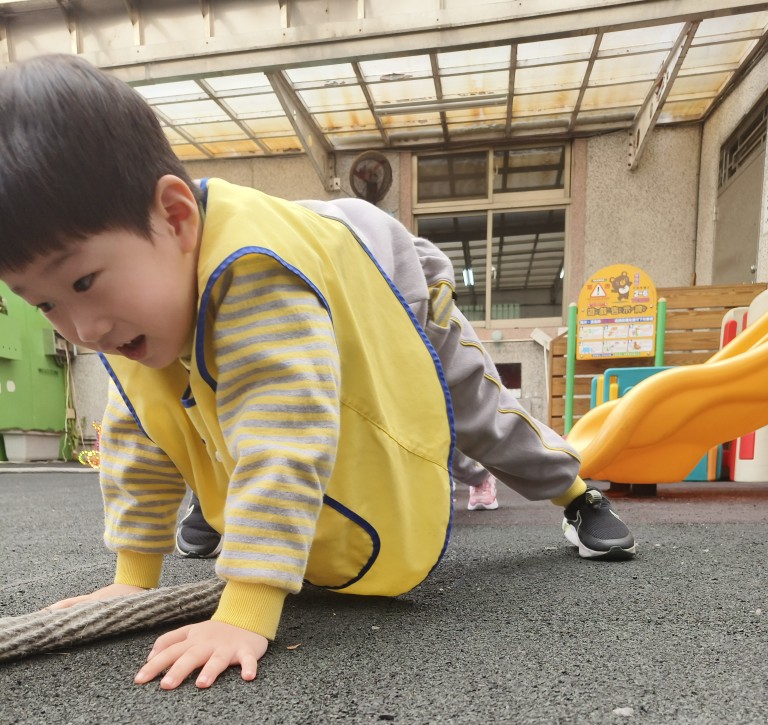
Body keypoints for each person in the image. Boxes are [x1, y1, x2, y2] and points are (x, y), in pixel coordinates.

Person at [0, 54, 636, 691]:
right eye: (46, 304)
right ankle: (224, 507)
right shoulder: (128, 304)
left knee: (477, 412)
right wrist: (131, 580)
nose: (83, 330)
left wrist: (247, 609)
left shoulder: (257, 273)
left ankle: (576, 494)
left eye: (83, 281)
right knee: (181, 390)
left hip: (388, 273)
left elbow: (285, 432)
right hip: (288, 268)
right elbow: (141, 432)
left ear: (176, 218)